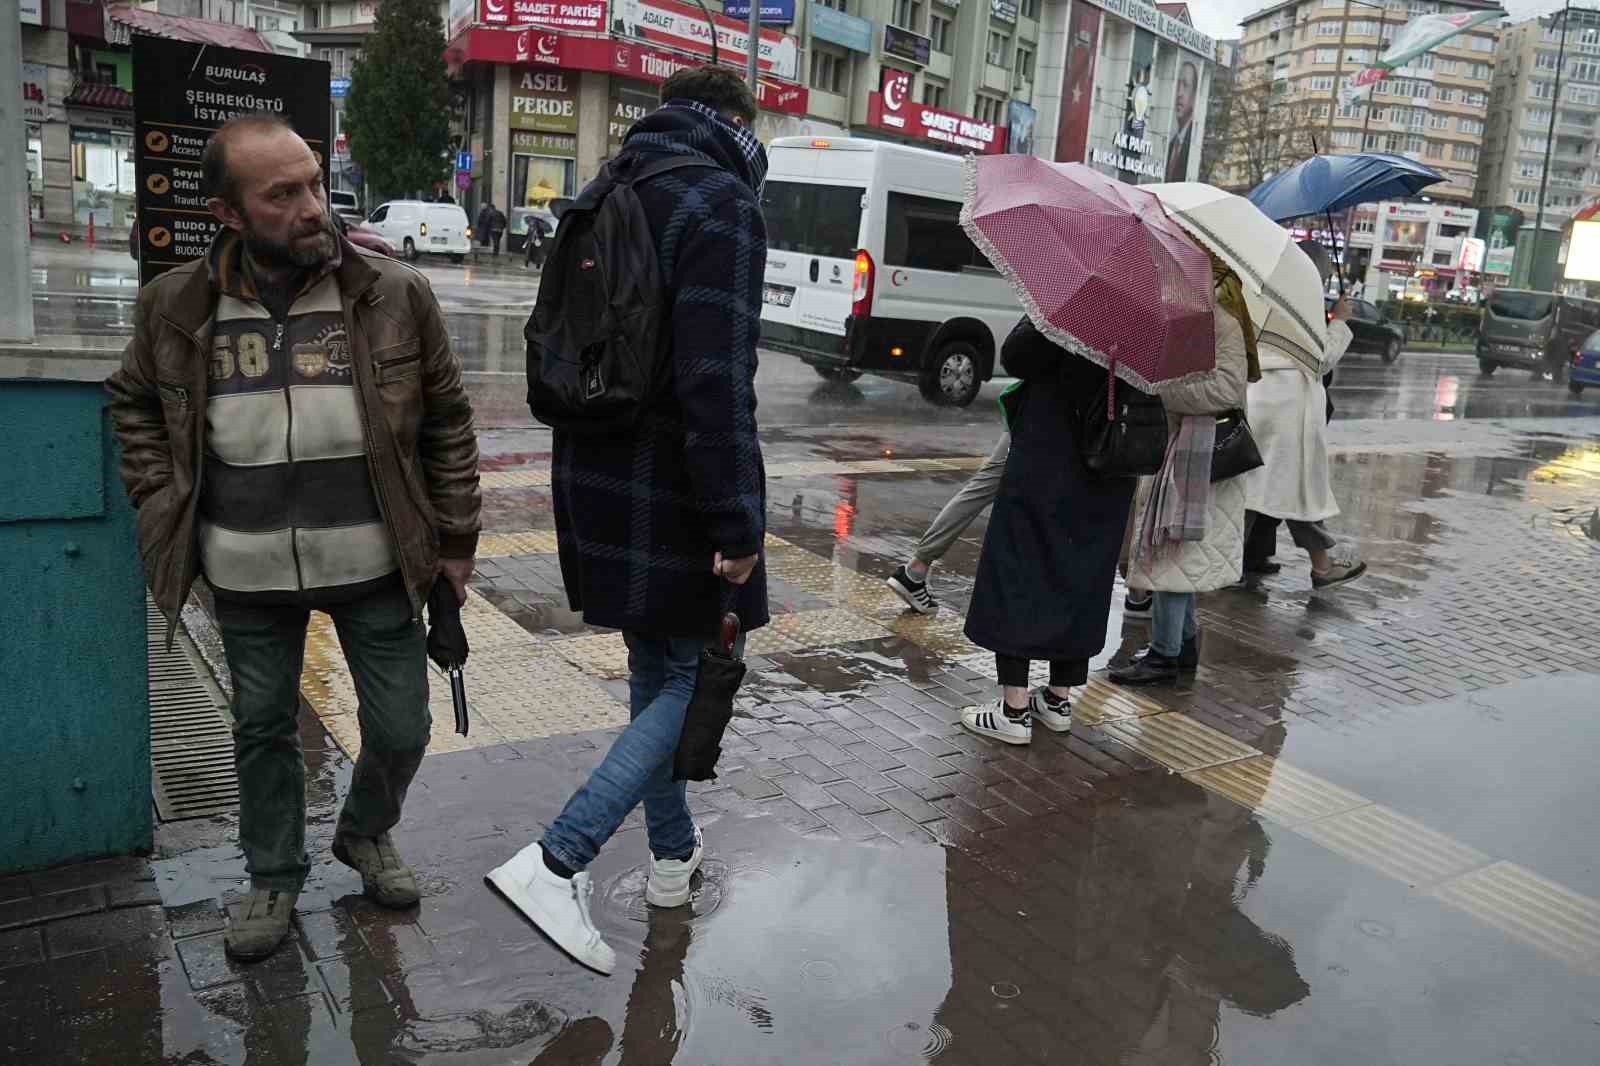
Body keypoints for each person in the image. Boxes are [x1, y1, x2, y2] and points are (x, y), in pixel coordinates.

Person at [105, 114, 482, 961]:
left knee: (401, 728)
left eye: (314, 182)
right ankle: (273, 877)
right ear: (230, 213)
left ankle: (365, 832)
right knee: (262, 729)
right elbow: (131, 400)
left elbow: (448, 420)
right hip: (245, 569)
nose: (314, 206)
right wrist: (158, 493)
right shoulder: (175, 304)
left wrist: (456, 541)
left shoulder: (392, 292)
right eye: (284, 194)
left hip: (376, 561)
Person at [485, 66, 770, 975]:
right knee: (695, 677)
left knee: (659, 666)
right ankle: (556, 859)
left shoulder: (608, 185)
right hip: (675, 485)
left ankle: (671, 860)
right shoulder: (719, 199)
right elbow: (714, 382)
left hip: (596, 469)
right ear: (730, 119)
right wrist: (737, 522)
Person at [957, 318, 1139, 744]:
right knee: (1083, 576)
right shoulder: (1147, 324)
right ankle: (1057, 700)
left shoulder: (1071, 307)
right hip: (1108, 469)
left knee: (1019, 569)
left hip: (1047, 462)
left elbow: (1016, 356)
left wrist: (1039, 316)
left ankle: (1014, 709)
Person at [1111, 258, 1252, 686]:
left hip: (1199, 454)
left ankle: (1164, 655)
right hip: (1179, 448)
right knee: (1179, 554)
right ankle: (1184, 645)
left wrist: (1165, 393)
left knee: (1172, 552)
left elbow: (1228, 390)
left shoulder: (1223, 326)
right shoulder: (1187, 323)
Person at [1240, 288, 1367, 590]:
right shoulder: (1297, 305)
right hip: (1289, 415)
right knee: (1296, 493)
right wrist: (1339, 321)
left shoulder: (1253, 298)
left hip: (1259, 403)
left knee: (1249, 493)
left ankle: (1319, 565)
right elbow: (1321, 359)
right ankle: (1321, 568)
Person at [886, 432, 1010, 614]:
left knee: (982, 491)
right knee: (980, 490)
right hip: (1039, 422)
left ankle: (916, 569)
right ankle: (915, 569)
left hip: (1029, 421)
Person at [1165, 61, 1197, 182]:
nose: (1179, 93)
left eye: (1186, 85)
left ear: (1194, 95)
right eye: (1178, 85)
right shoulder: (1171, 145)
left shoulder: (1192, 144)